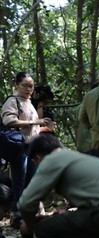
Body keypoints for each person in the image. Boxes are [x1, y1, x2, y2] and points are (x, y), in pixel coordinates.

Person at [1, 72, 55, 228]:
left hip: (31, 146)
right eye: (25, 85)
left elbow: (31, 127)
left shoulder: (28, 101)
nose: (28, 89)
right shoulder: (12, 101)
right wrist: (36, 121)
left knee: (30, 180)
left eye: (31, 86)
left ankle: (28, 212)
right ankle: (16, 214)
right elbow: (9, 121)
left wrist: (44, 127)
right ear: (16, 85)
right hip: (19, 146)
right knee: (19, 180)